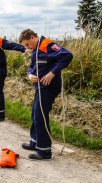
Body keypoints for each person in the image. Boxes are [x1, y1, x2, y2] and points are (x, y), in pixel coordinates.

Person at [19, 29, 73, 160]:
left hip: (48, 87)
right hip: (39, 87)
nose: (27, 48)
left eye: (27, 44)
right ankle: (35, 142)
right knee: (35, 114)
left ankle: (44, 152)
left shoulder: (48, 45)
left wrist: (52, 73)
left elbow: (67, 55)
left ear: (32, 37)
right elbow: (32, 67)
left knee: (40, 116)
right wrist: (30, 75)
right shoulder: (35, 50)